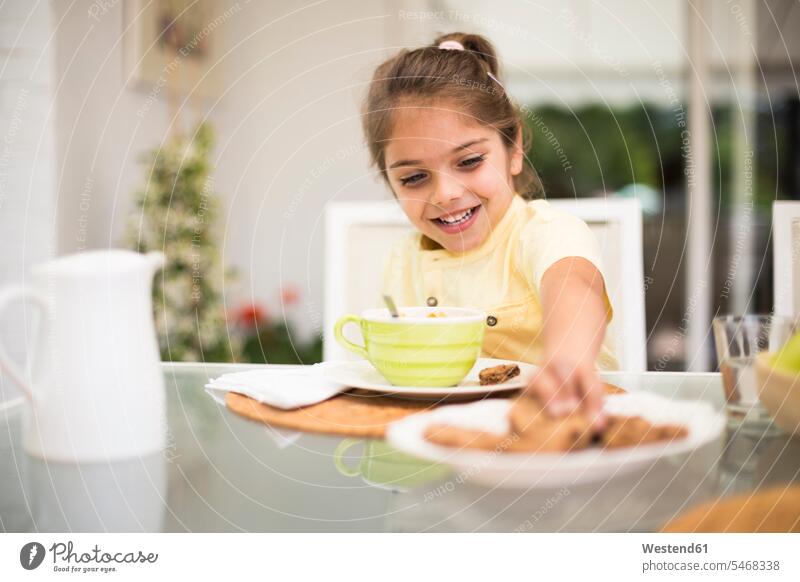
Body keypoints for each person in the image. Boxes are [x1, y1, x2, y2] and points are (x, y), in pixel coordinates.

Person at [362, 32, 618, 428]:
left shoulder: (546, 231)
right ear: (389, 182)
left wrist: (567, 357)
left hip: (568, 434)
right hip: (453, 450)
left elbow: (575, 285)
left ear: (513, 148)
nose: (446, 194)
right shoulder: (402, 261)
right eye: (414, 177)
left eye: (468, 162)